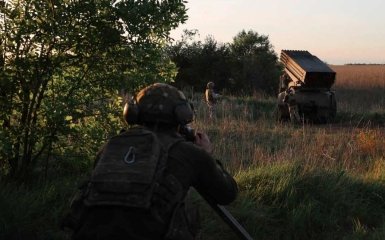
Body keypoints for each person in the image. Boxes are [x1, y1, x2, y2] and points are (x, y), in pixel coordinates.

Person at [65, 83, 238, 240]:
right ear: (181, 114)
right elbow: (227, 193)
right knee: (189, 211)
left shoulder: (111, 146)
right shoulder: (189, 153)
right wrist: (207, 154)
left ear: (133, 113)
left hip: (90, 234)